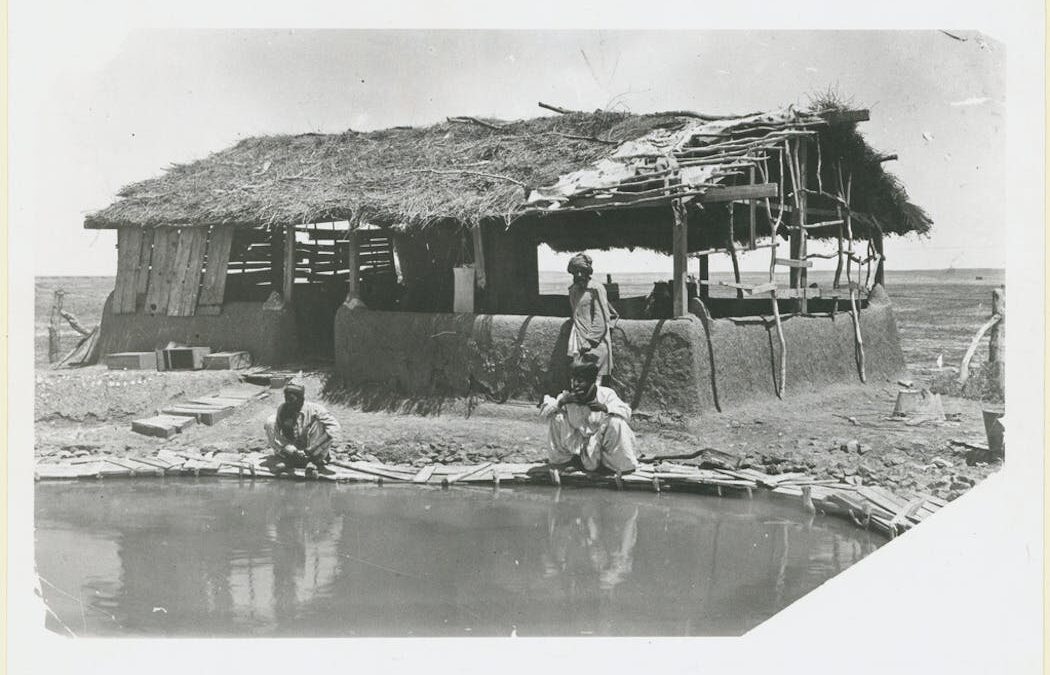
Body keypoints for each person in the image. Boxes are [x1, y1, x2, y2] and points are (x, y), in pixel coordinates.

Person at [539, 355, 638, 474]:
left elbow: (627, 413)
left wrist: (604, 408)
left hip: (600, 448)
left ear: (591, 381)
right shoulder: (567, 397)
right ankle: (567, 461)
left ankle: (612, 465)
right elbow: (543, 414)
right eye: (573, 380)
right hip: (578, 449)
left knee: (616, 421)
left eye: (580, 381)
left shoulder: (606, 394)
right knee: (556, 416)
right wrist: (561, 402)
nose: (575, 384)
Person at [264, 383, 341, 473]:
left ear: (301, 399)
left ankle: (313, 461)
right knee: (270, 422)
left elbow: (335, 428)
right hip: (293, 449)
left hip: (313, 449)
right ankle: (288, 459)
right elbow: (278, 436)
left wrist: (312, 448)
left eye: (292, 399)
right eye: (286, 399)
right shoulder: (283, 409)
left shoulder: (316, 409)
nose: (288, 403)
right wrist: (291, 449)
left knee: (320, 423)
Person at [566, 253, 617, 385]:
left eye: (581, 271)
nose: (578, 275)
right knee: (577, 378)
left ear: (587, 272)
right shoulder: (573, 290)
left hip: (594, 342)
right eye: (575, 272)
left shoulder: (596, 289)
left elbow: (601, 317)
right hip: (578, 339)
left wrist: (591, 340)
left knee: (594, 380)